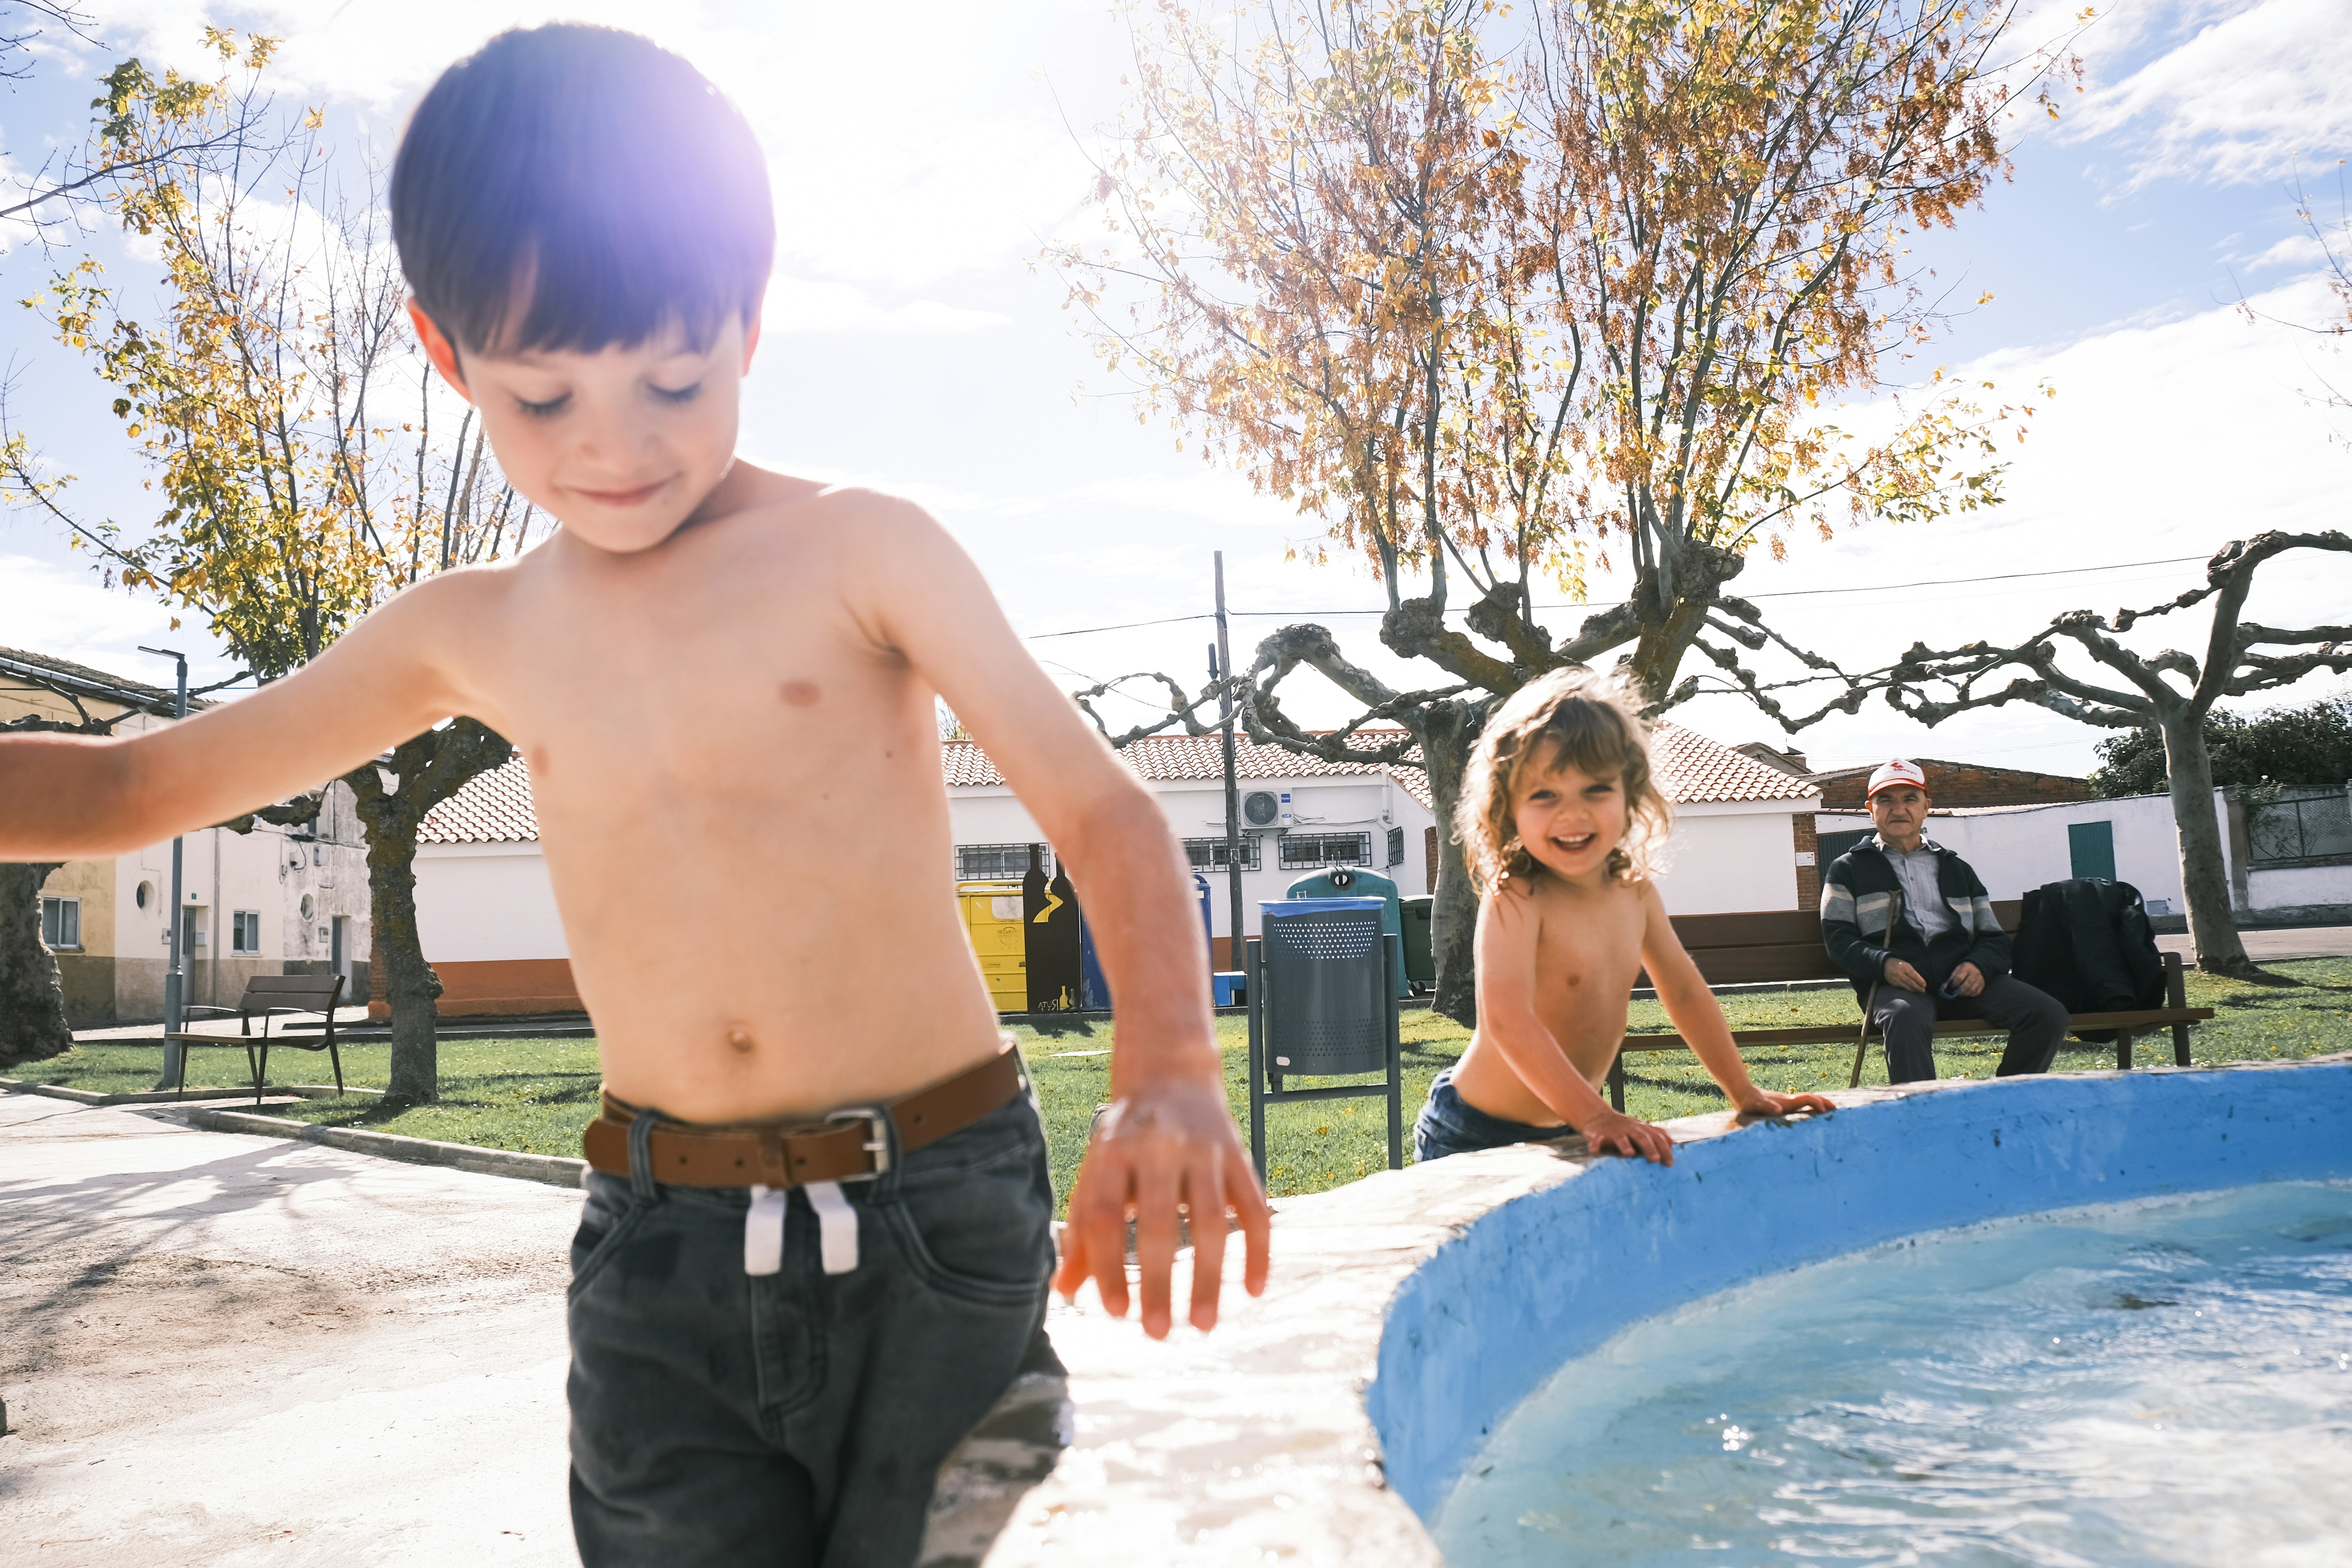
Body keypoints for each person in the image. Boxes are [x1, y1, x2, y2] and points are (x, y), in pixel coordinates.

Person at [0, 25, 1268, 1566]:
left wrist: (1170, 1063)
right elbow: (140, 778)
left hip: (939, 1210)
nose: (616, 448)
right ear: (446, 352)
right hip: (660, 1249)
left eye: (674, 380)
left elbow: (1106, 810)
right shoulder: (475, 629)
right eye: (543, 402)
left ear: (749, 320)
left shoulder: (865, 548)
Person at [1412, 668, 1835, 1165]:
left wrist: (1743, 1090)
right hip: (1474, 1130)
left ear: (1631, 794)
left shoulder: (1634, 892)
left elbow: (1683, 991)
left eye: (1595, 790)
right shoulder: (1518, 896)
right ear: (1508, 809)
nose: (1573, 814)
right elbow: (1508, 1022)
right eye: (1545, 795)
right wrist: (1597, 1116)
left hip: (1572, 1116)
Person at [1819, 759, 2066, 1084]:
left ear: (1926, 808)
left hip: (1962, 985)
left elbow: (1991, 937)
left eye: (1910, 799)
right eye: (1886, 800)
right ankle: (1923, 1118)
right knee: (1904, 1017)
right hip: (1897, 987)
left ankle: (2005, 1103)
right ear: (1871, 809)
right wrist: (1885, 964)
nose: (1899, 809)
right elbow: (1838, 939)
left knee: (2047, 1014)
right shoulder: (1848, 868)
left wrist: (1979, 966)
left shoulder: (1956, 868)